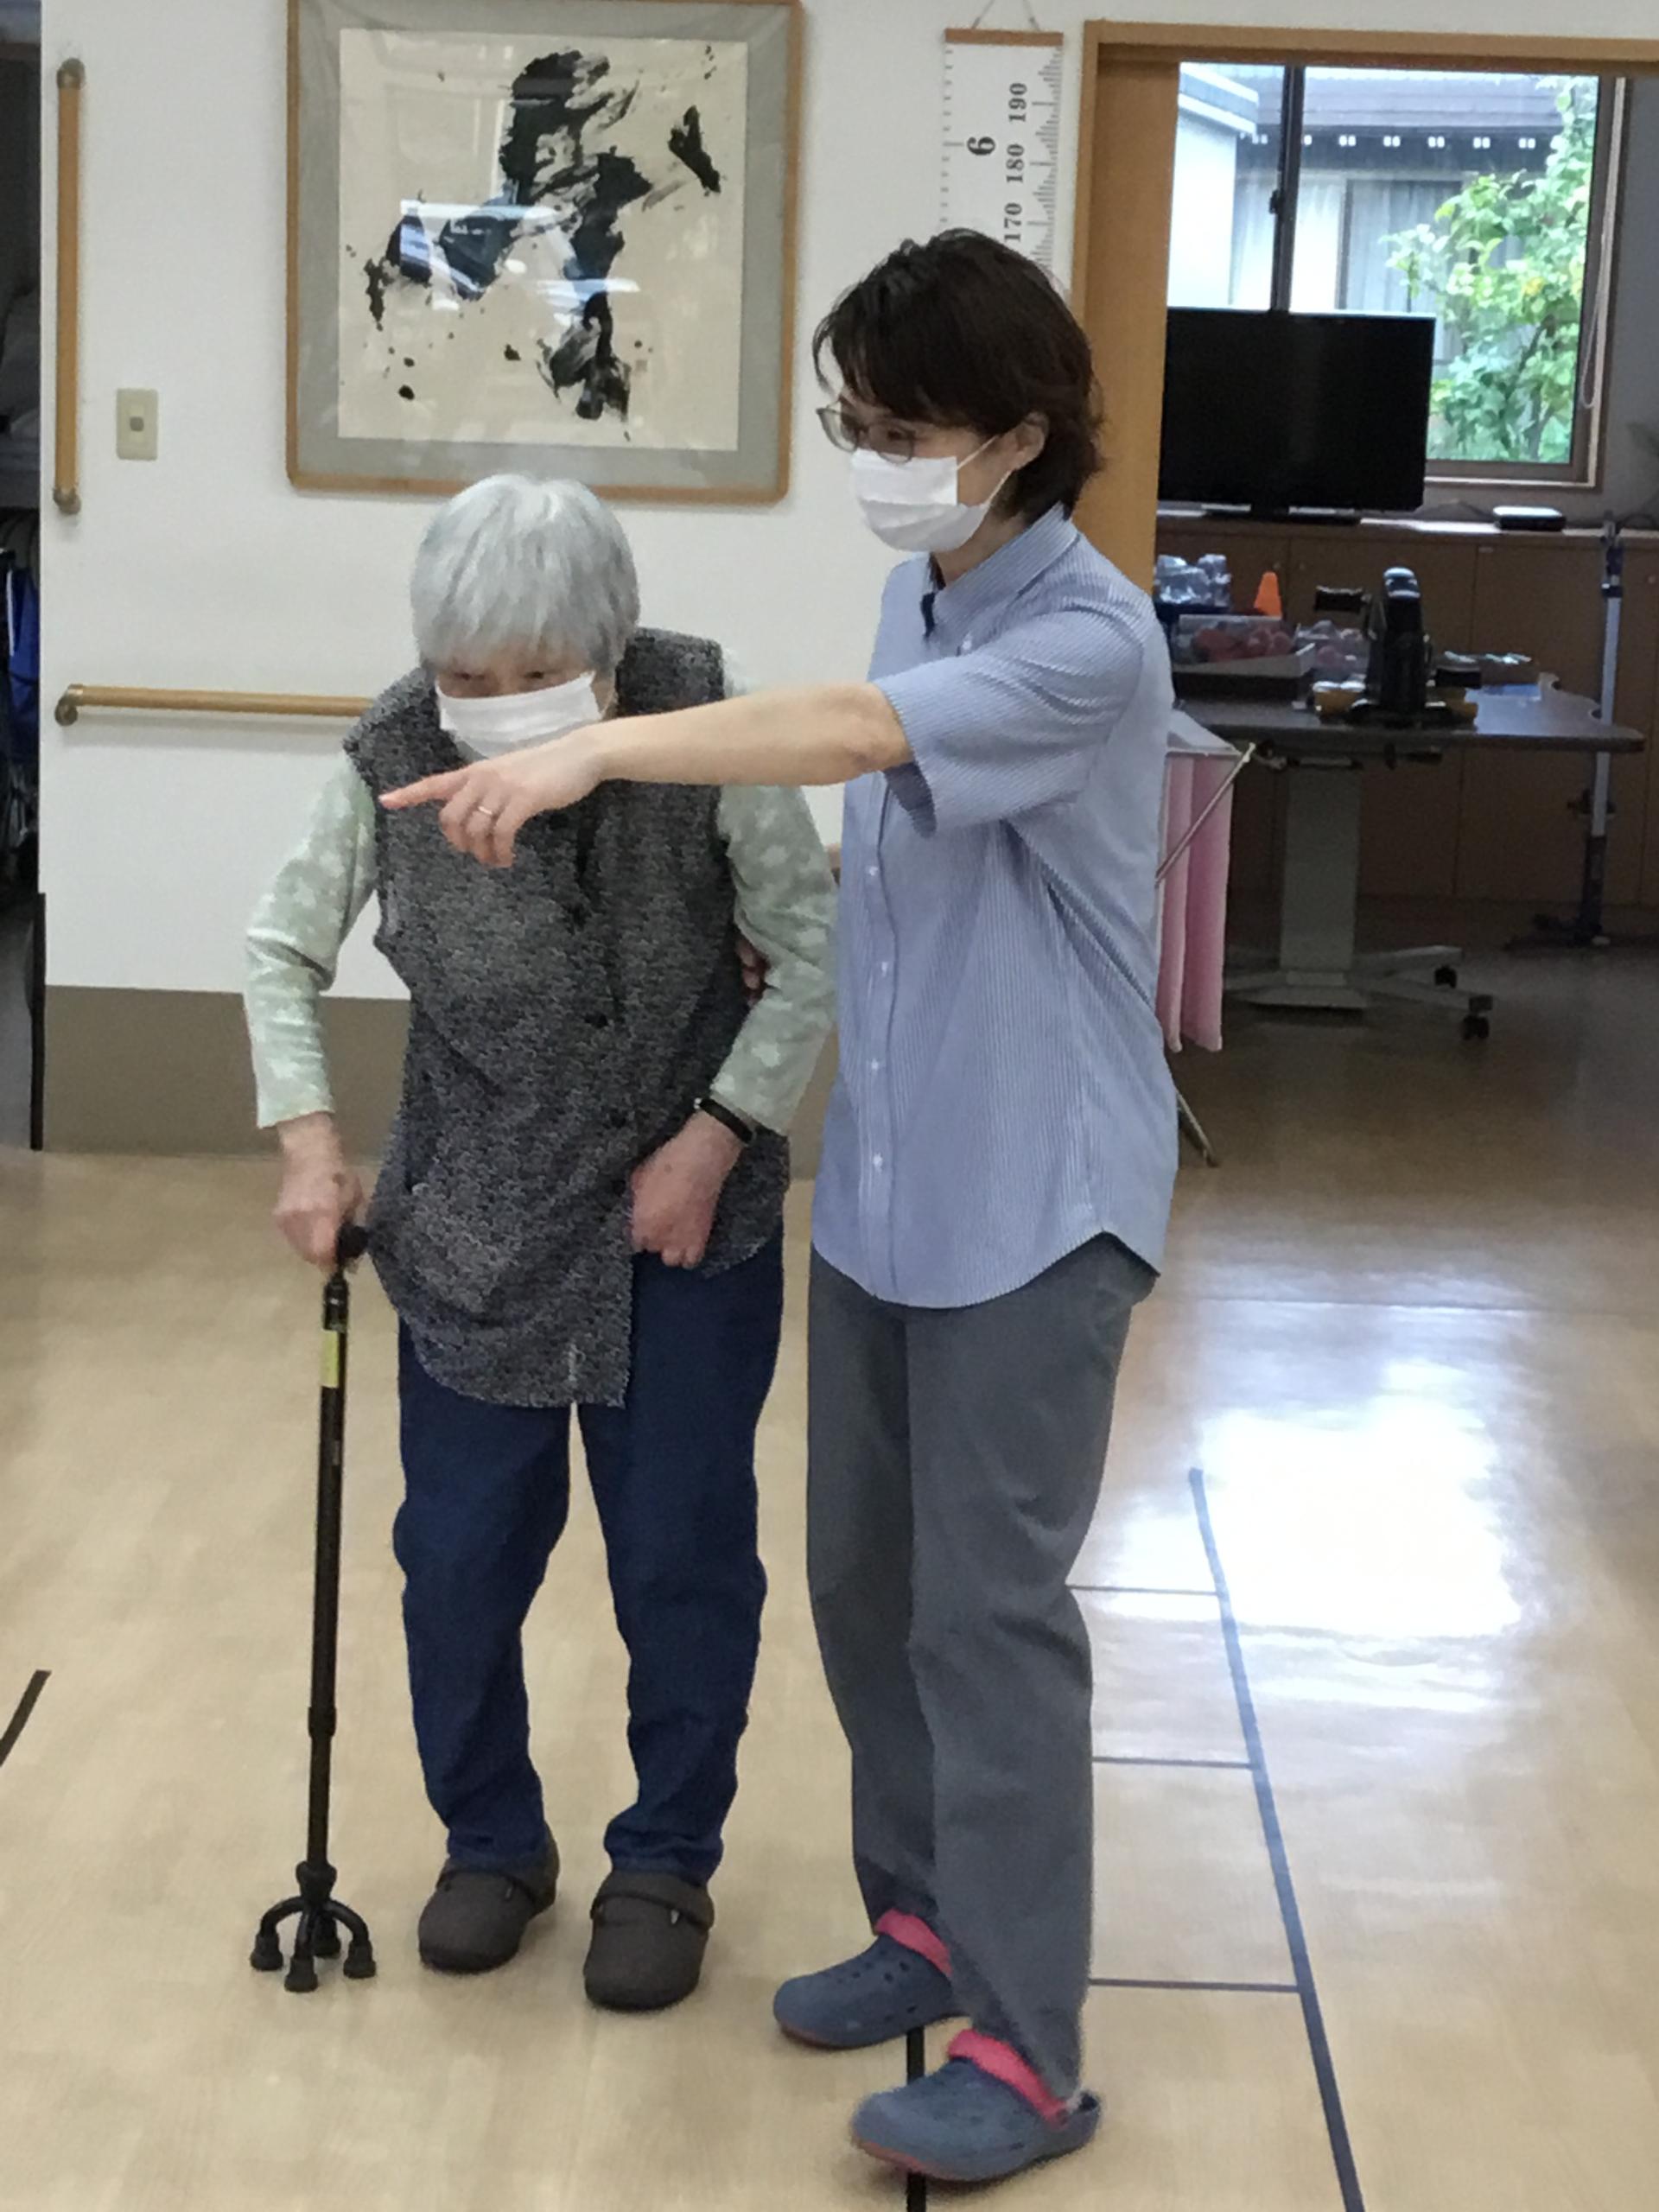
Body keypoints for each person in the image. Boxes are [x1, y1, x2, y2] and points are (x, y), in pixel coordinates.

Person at [380, 234, 1178, 2187]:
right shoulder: (931, 588)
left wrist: (596, 742)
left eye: (902, 428)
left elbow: (851, 737)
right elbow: (892, 830)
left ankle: (1027, 2046)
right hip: (893, 1197)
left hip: (1036, 1199)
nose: (875, 459)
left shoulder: (1091, 638)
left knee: (989, 1622)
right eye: (856, 422)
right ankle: (923, 1920)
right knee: (863, 1591)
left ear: (1020, 432)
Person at [244, 474, 836, 2012]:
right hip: (474, 1223)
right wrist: (310, 1145)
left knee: (682, 1555)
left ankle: (667, 1860)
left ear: (612, 652)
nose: (493, 704)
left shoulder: (709, 723)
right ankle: (491, 1843)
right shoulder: (391, 753)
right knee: (456, 1561)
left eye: (534, 675)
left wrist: (720, 1135)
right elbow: (279, 948)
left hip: (683, 1217)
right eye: (464, 675)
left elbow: (811, 948)